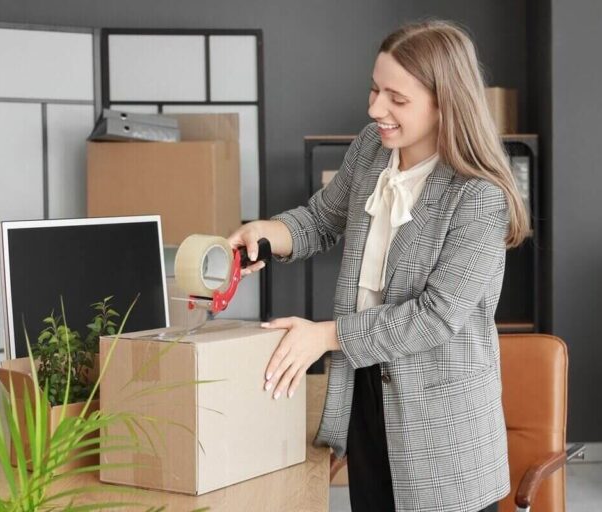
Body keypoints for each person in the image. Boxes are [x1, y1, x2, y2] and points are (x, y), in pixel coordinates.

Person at [227, 19, 531, 512]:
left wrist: (325, 336)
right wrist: (266, 234)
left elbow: (434, 316)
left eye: (397, 98)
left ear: (444, 101)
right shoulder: (372, 149)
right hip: (366, 387)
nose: (375, 109)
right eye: (374, 89)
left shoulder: (479, 197)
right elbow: (321, 218)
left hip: (441, 417)